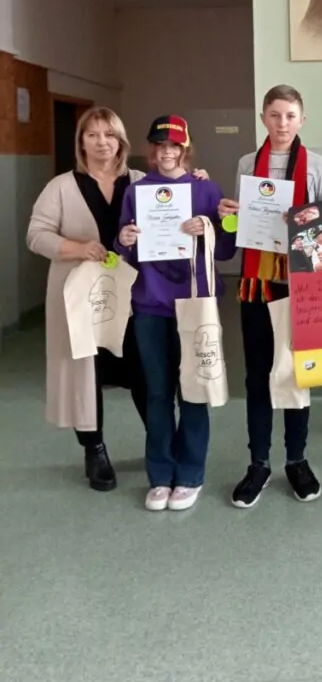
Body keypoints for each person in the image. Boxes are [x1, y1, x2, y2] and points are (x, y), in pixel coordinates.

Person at [218, 85, 322, 509]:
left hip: (301, 285)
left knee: (299, 373)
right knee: (258, 375)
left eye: (290, 115)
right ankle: (259, 463)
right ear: (263, 118)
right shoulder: (247, 163)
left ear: (302, 119)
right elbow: (244, 223)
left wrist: (304, 219)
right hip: (257, 284)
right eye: (274, 115)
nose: (282, 123)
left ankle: (297, 460)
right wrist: (230, 216)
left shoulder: (317, 166)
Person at [27, 107, 147, 492]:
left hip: (133, 296)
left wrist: (198, 182)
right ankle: (94, 451)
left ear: (121, 141)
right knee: (86, 372)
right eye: (92, 135)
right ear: (81, 142)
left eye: (109, 135)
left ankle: (160, 443)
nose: (101, 142)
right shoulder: (62, 186)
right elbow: (36, 235)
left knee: (143, 367)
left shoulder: (141, 182)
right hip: (80, 297)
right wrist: (78, 248)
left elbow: (173, 212)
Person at [115, 115, 231, 512]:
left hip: (194, 303)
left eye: (174, 145)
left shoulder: (205, 189)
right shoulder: (137, 192)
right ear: (152, 149)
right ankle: (160, 474)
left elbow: (227, 248)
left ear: (186, 148)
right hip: (149, 304)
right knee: (158, 393)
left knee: (194, 391)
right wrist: (123, 239)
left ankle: (191, 474)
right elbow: (124, 249)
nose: (167, 152)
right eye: (160, 145)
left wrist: (211, 226)